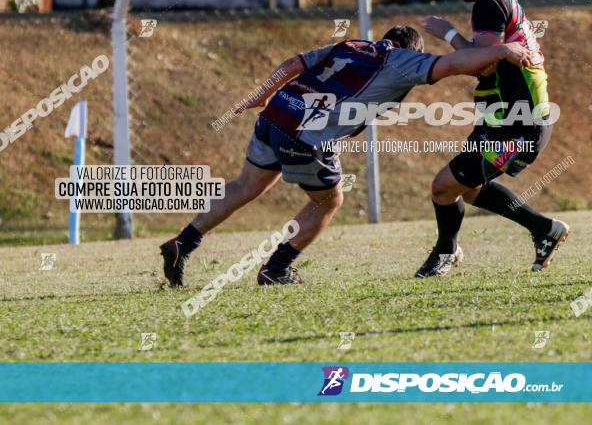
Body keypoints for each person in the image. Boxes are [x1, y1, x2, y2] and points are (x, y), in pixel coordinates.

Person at [159, 25, 533, 287]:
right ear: (409, 50)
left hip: (275, 116)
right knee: (328, 201)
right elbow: (451, 65)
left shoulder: (353, 46)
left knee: (245, 186)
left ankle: (183, 242)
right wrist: (501, 50)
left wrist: (263, 94)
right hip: (303, 133)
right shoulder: (403, 61)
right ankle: (276, 270)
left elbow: (295, 63)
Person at [416, 0, 570, 278]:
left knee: (444, 187)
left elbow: (481, 66)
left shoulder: (489, 2)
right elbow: (490, 56)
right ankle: (544, 229)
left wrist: (449, 34)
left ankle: (446, 252)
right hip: (506, 119)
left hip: (518, 123)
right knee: (465, 188)